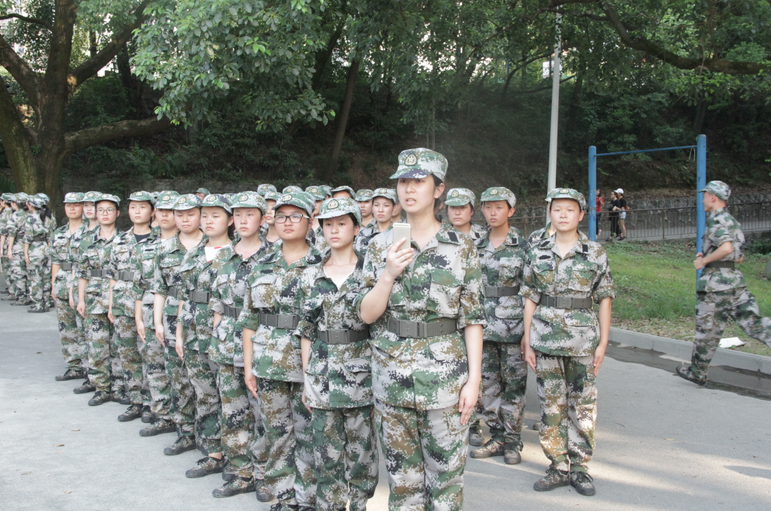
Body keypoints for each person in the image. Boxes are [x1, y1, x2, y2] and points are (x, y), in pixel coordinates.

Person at [356, 148, 485, 511]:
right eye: (402, 181)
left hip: (446, 381)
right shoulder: (379, 245)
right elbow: (367, 315)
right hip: (392, 377)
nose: (408, 189)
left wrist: (474, 380)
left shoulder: (462, 248)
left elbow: (473, 318)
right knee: (403, 484)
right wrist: (388, 274)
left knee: (446, 481)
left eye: (418, 181)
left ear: (439, 189)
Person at [521, 188, 614, 497]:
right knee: (551, 405)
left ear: (581, 215)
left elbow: (604, 297)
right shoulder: (537, 251)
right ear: (550, 213)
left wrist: (603, 343)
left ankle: (580, 467)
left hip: (583, 342)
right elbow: (530, 297)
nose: (563, 214)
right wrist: (527, 339)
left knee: (582, 405)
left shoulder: (595, 253)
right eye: (557, 209)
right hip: (545, 340)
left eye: (570, 209)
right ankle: (558, 465)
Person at [240, 190, 321, 511]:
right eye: (282, 216)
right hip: (268, 363)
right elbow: (249, 319)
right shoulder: (262, 264)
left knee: (308, 433)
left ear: (310, 222)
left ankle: (307, 497)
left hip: (307, 365)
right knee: (276, 431)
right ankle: (282, 496)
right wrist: (248, 366)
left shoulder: (321, 264)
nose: (288, 222)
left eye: (296, 216)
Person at [296, 197, 378, 511]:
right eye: (328, 224)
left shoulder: (370, 272)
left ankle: (358, 505)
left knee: (362, 453)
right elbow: (306, 330)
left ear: (356, 228)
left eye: (342, 223)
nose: (334, 230)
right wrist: (307, 378)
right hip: (322, 376)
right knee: (325, 452)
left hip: (361, 375)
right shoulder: (310, 275)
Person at [208, 191, 273, 500]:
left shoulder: (273, 256)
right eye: (238, 215)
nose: (244, 220)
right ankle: (240, 472)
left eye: (251, 214)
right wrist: (216, 331)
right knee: (232, 411)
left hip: (260, 343)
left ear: (263, 218)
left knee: (264, 413)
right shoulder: (223, 256)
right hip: (226, 343)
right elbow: (216, 301)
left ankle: (264, 472)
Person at [676, 181, 771, 385]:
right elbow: (739, 257)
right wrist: (709, 254)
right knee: (753, 323)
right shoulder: (732, 221)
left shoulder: (716, 219)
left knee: (707, 331)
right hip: (735, 283)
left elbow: (726, 248)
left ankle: (697, 373)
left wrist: (704, 261)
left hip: (715, 285)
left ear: (713, 197)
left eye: (705, 195)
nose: (702, 199)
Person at [469, 187, 528, 466]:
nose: (493, 213)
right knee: (489, 384)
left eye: (499, 207)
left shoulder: (523, 247)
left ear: (511, 211)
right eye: (488, 207)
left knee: (513, 385)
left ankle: (513, 440)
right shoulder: (475, 245)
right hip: (482, 327)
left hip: (513, 328)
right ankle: (496, 435)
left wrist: (529, 331)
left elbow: (531, 291)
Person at [176, 194, 233, 479]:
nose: (209, 221)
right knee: (204, 393)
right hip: (192, 333)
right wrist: (178, 334)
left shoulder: (237, 254)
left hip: (224, 336)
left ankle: (237, 456)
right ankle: (213, 452)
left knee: (230, 397)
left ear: (230, 220)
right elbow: (183, 296)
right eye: (205, 215)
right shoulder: (193, 253)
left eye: (216, 215)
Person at [151, 194, 203, 456]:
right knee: (178, 377)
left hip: (203, 320)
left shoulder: (212, 246)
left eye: (190, 214)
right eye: (179, 214)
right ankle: (185, 431)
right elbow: (159, 288)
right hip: (172, 319)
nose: (184, 219)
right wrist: (157, 322)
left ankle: (209, 435)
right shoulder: (165, 248)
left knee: (205, 380)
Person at [107, 191, 155, 422]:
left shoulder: (159, 240)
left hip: (146, 303)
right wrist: (110, 304)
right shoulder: (120, 240)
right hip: (122, 302)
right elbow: (112, 275)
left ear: (152, 211)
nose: (137, 211)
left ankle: (151, 401)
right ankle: (135, 399)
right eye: (133, 207)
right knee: (127, 353)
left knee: (149, 353)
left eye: (142, 207)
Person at [135, 191, 179, 436]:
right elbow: (138, 285)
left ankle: (184, 418)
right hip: (150, 311)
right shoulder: (146, 247)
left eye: (171, 211)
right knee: (155, 365)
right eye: (161, 210)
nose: (165, 215)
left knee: (179, 369)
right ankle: (162, 414)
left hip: (177, 314)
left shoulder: (191, 246)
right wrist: (139, 317)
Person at [75, 193, 122, 407]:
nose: (104, 214)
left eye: (109, 210)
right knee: (96, 344)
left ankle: (119, 386)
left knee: (118, 343)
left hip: (118, 296)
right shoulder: (87, 240)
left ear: (117, 213)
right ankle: (101, 387)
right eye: (100, 210)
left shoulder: (124, 239)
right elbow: (82, 272)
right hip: (94, 297)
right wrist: (81, 299)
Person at [51, 192, 88, 381]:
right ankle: (74, 365)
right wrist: (53, 284)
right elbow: (55, 261)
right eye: (68, 205)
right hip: (62, 281)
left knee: (84, 326)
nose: (72, 208)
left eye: (76, 205)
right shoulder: (59, 233)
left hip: (80, 281)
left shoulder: (89, 232)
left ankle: (89, 366)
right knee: (66, 327)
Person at [23, 196, 52, 313]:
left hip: (35, 249)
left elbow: (28, 237)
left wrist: (25, 252)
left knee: (35, 277)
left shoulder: (30, 218)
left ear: (31, 205)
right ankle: (47, 301)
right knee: (46, 277)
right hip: (46, 247)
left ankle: (38, 304)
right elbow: (50, 236)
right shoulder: (48, 217)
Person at [353, 188, 396, 256]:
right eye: (376, 205)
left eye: (386, 205)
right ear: (372, 207)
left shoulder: (400, 233)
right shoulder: (363, 234)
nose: (380, 210)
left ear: (394, 208)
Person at [6, 193, 30, 305]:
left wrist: (9, 249)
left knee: (19, 272)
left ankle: (21, 297)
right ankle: (31, 295)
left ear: (14, 203)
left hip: (18, 246)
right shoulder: (30, 214)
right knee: (29, 272)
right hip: (30, 246)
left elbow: (12, 234)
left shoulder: (15, 215)